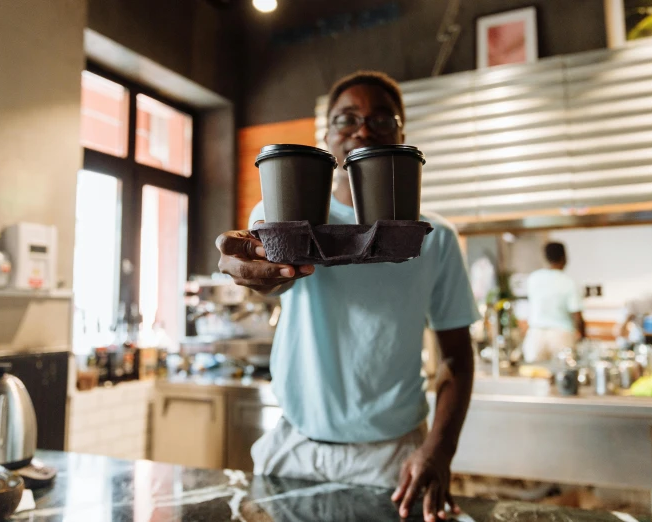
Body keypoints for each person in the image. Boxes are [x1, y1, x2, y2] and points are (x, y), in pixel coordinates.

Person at [216, 71, 479, 521]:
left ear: (402, 135)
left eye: (381, 119)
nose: (362, 129)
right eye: (347, 119)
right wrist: (257, 275)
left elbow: (457, 356)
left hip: (392, 458)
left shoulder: (434, 239)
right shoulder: (284, 217)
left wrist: (440, 449)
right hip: (295, 445)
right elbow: (269, 280)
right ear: (325, 136)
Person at [522, 242, 585, 363]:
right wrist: (582, 337)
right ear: (564, 257)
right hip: (561, 335)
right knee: (563, 376)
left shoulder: (533, 278)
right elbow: (577, 315)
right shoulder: (569, 282)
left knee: (535, 375)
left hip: (535, 334)